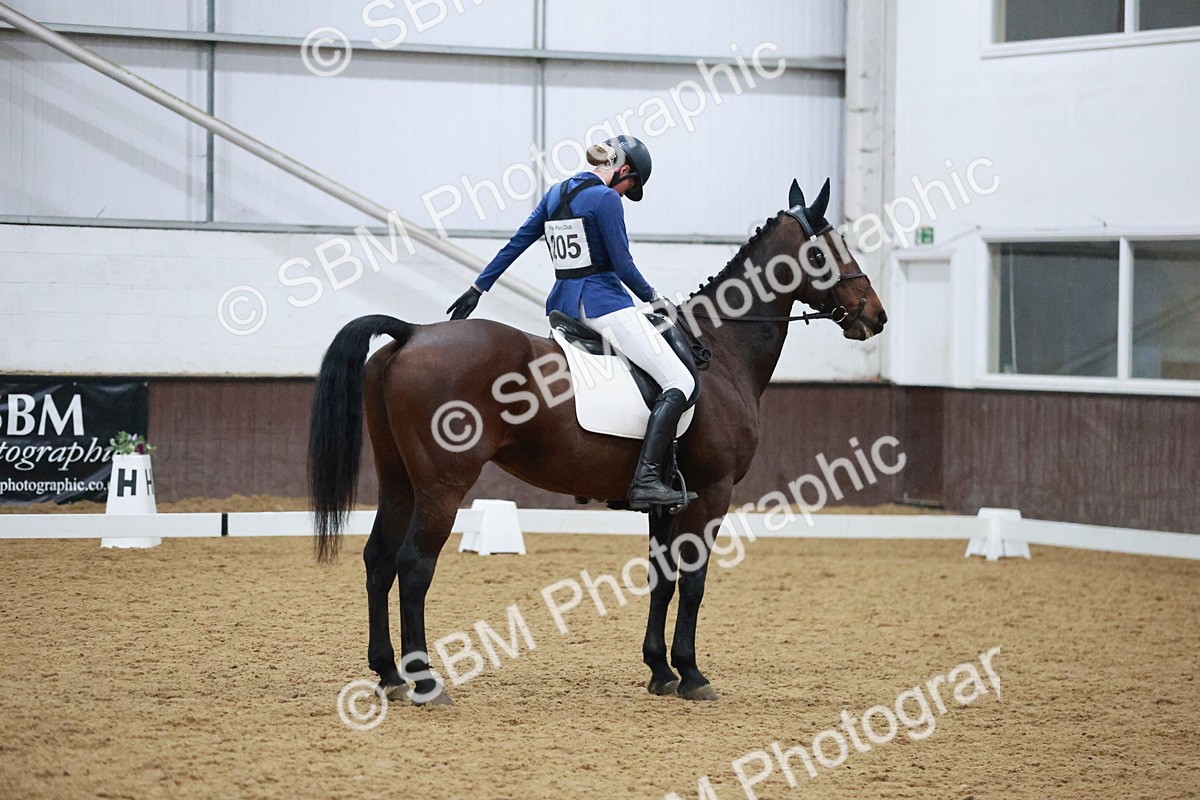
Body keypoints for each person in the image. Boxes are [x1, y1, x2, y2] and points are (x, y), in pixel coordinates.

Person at [445, 135, 696, 510]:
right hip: (603, 307)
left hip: (562, 312)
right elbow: (623, 266)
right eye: (630, 187)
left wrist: (478, 288)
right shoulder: (607, 199)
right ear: (623, 171)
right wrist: (657, 301)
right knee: (680, 381)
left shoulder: (555, 194)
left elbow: (516, 242)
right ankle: (645, 479)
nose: (626, 194)